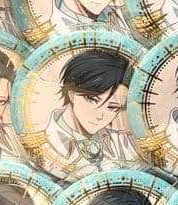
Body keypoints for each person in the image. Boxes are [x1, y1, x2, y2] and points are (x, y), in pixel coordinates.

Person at [43, 50, 137, 178]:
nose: (100, 115)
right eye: (92, 100)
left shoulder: (124, 142)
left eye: (113, 107)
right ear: (71, 94)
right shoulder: (43, 145)